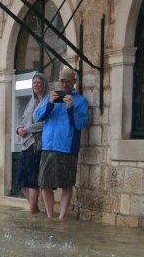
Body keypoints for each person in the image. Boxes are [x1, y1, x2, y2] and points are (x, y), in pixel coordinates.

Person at [36, 67, 89, 220]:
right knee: (44, 184)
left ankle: (62, 217)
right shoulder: (50, 97)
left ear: (74, 82)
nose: (64, 84)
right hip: (48, 146)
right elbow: (39, 117)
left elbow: (80, 124)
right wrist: (50, 103)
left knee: (66, 184)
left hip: (67, 147)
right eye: (62, 81)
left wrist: (71, 108)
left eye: (67, 81)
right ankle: (50, 216)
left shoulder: (81, 100)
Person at [16, 72, 49, 213]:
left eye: (39, 82)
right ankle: (34, 209)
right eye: (34, 82)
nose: (36, 85)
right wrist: (19, 129)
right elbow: (23, 121)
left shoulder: (46, 101)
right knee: (21, 181)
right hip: (25, 144)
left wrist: (28, 130)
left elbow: (45, 123)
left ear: (44, 84)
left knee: (32, 179)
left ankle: (32, 210)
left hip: (36, 145)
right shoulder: (31, 102)